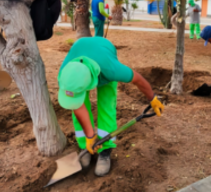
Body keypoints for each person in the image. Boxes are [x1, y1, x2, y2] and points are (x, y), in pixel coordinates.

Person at [57, 37, 165, 176]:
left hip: (103, 55)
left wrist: (153, 98)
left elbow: (138, 80)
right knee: (76, 103)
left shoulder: (112, 70)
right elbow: (77, 106)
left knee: (107, 105)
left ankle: (105, 150)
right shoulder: (66, 76)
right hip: (81, 49)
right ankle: (85, 146)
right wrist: (90, 136)